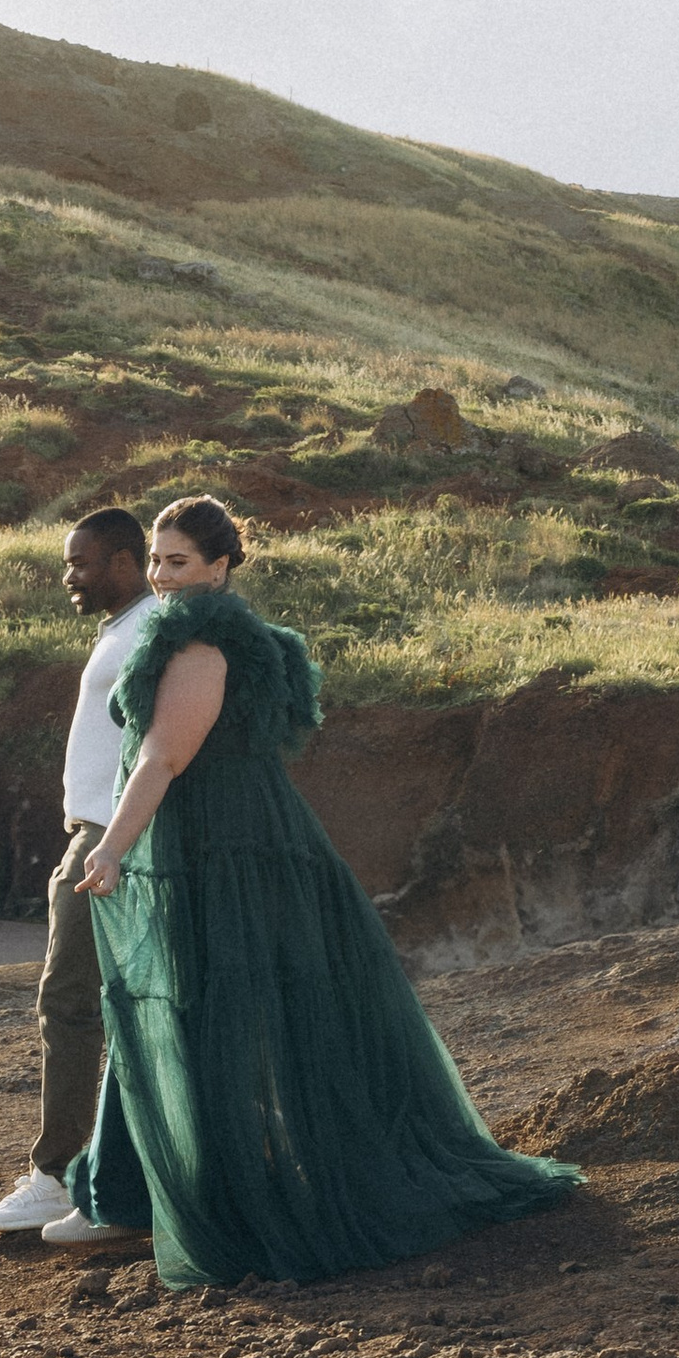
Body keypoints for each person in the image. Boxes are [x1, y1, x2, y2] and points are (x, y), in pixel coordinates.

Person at [39, 494, 579, 1284]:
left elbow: (162, 757)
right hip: (241, 839)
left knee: (201, 1009)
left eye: (178, 561)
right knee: (198, 1007)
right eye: (155, 560)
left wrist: (113, 847)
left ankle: (178, 1197)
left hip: (216, 849)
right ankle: (133, 1190)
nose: (161, 576)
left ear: (220, 567)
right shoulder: (221, 634)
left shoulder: (199, 642)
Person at [0, 508, 156, 1235]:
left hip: (112, 837)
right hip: (95, 832)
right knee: (86, 1000)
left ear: (122, 561)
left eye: (80, 563)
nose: (69, 577)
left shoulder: (148, 629)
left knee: (73, 1000)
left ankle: (60, 1175)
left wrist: (115, 841)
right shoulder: (122, 629)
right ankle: (90, 1175)